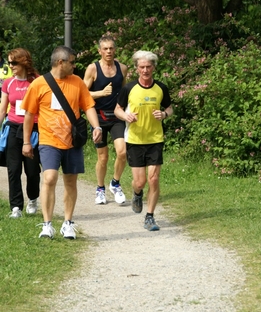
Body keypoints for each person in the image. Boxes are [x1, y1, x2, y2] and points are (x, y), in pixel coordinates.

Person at [21, 45, 102, 240]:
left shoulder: (77, 83)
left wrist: (97, 126)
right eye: (72, 62)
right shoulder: (39, 84)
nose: (75, 66)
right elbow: (29, 115)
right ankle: (47, 224)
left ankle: (67, 223)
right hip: (49, 140)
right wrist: (26, 142)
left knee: (70, 181)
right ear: (60, 62)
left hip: (72, 141)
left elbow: (88, 106)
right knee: (49, 178)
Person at [114, 50, 173, 231]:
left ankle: (150, 217)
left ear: (153, 67)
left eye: (148, 67)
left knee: (153, 179)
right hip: (135, 139)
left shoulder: (161, 88)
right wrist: (126, 116)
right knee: (140, 182)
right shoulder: (129, 88)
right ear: (137, 69)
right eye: (142, 67)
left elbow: (170, 108)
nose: (145, 70)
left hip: (155, 139)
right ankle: (137, 193)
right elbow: (117, 109)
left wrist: (163, 114)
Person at [84, 35, 128, 205]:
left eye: (111, 48)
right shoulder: (92, 69)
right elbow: (82, 93)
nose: (109, 51)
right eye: (105, 48)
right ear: (99, 51)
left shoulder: (122, 68)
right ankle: (100, 189)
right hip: (99, 117)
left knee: (122, 152)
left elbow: (125, 90)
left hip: (116, 116)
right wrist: (101, 93)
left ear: (115, 50)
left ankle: (115, 184)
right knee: (103, 157)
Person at [0, 48, 40, 218]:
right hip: (13, 127)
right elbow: (3, 109)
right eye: (9, 63)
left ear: (24, 62)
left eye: (14, 62)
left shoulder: (37, 81)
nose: (11, 66)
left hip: (33, 128)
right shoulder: (8, 83)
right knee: (13, 169)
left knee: (32, 170)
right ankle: (16, 207)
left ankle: (33, 198)